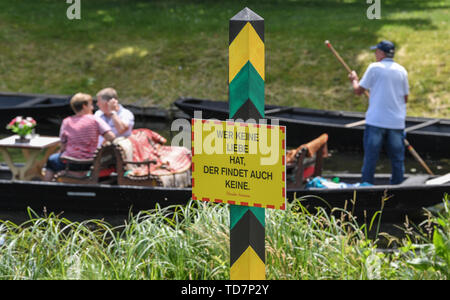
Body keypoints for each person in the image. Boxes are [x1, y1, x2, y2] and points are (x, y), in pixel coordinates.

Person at [348, 40, 409, 184]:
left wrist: (354, 80)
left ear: (381, 53)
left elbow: (358, 90)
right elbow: (405, 98)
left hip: (376, 121)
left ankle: (366, 186)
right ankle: (398, 187)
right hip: (396, 122)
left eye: (376, 51)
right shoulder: (402, 71)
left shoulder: (374, 68)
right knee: (397, 160)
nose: (375, 54)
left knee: (371, 158)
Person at [44, 93, 115, 181]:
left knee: (51, 160)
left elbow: (63, 147)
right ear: (84, 106)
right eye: (91, 105)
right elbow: (111, 137)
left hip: (70, 163)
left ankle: (46, 186)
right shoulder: (95, 120)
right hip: (90, 162)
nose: (92, 108)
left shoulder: (66, 122)